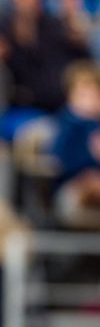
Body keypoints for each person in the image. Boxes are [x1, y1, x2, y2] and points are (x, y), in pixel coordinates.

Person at [50, 62, 100, 229]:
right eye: (83, 95)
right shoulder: (67, 125)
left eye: (95, 95)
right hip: (73, 186)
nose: (90, 101)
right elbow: (61, 161)